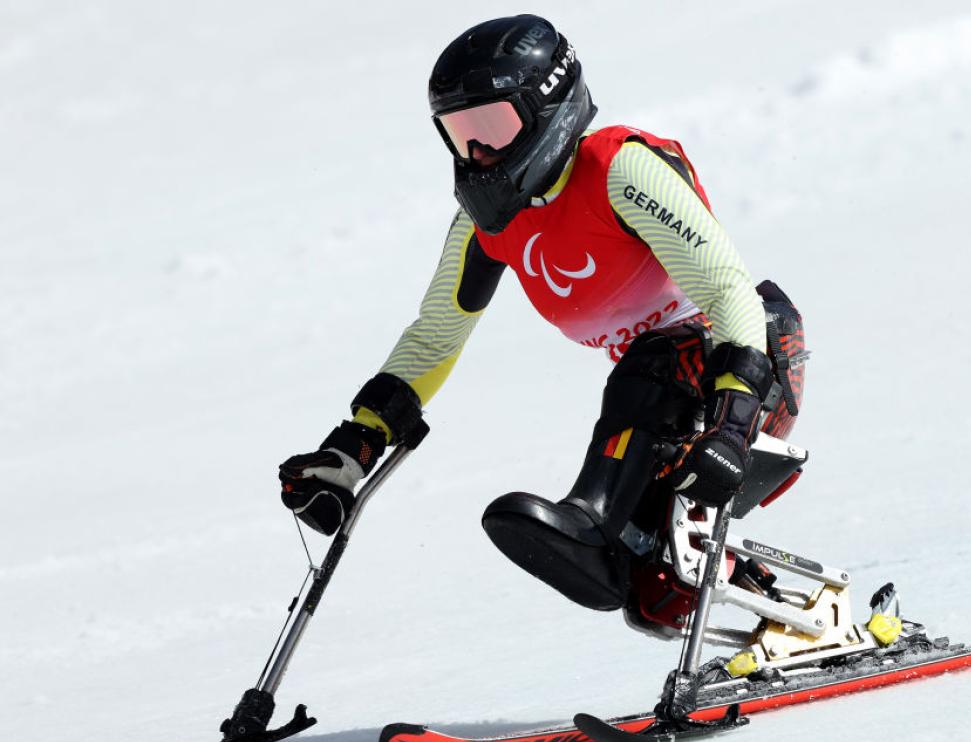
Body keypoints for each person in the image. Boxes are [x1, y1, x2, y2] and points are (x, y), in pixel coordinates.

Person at [278, 15, 805, 631]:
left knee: (649, 372)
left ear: (548, 105)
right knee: (653, 588)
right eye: (460, 134)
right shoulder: (489, 226)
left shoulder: (619, 170)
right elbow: (436, 334)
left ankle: (593, 518)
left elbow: (726, 290)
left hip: (747, 364)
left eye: (492, 127)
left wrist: (734, 426)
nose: (476, 154)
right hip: (663, 404)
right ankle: (796, 625)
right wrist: (353, 445)